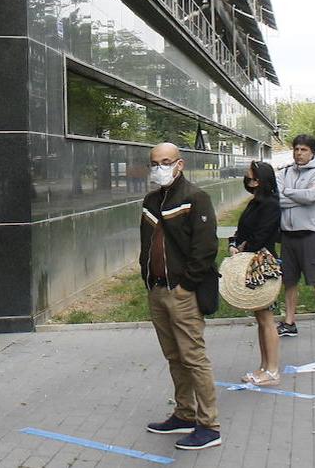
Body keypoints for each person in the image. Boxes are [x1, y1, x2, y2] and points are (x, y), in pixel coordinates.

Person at [140, 142, 221, 451]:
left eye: (165, 162)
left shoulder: (195, 198)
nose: (159, 168)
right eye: (155, 163)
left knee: (193, 357)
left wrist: (187, 286)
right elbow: (146, 244)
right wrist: (147, 278)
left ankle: (209, 425)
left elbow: (205, 249)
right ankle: (184, 413)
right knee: (174, 356)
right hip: (157, 290)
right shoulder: (150, 200)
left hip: (182, 292)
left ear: (180, 164)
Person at [276, 134, 315, 344]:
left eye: (303, 150)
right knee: (289, 281)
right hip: (288, 235)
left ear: (312, 153)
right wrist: (299, 196)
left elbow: (312, 197)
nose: (299, 153)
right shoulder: (284, 172)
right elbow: (277, 198)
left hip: (310, 234)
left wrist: (289, 193)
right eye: (296, 149)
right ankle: (289, 322)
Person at [228, 161, 282, 386]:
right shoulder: (255, 202)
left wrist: (240, 248)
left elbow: (261, 235)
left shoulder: (270, 204)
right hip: (251, 262)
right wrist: (234, 243)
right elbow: (243, 231)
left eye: (251, 176)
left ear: (261, 179)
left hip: (262, 265)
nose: (248, 179)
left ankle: (272, 371)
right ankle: (263, 366)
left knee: (267, 319)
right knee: (261, 319)